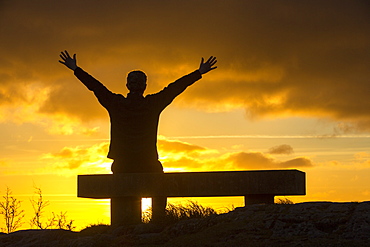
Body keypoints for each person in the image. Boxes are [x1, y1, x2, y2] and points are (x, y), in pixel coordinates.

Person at [59, 50, 217, 222]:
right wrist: (199, 72)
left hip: (123, 163)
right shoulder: (152, 104)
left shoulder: (116, 103)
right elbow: (175, 88)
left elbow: (96, 87)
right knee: (159, 183)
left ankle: (125, 223)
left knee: (126, 186)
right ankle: (158, 219)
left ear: (127, 85)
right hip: (148, 162)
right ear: (145, 86)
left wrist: (75, 69)